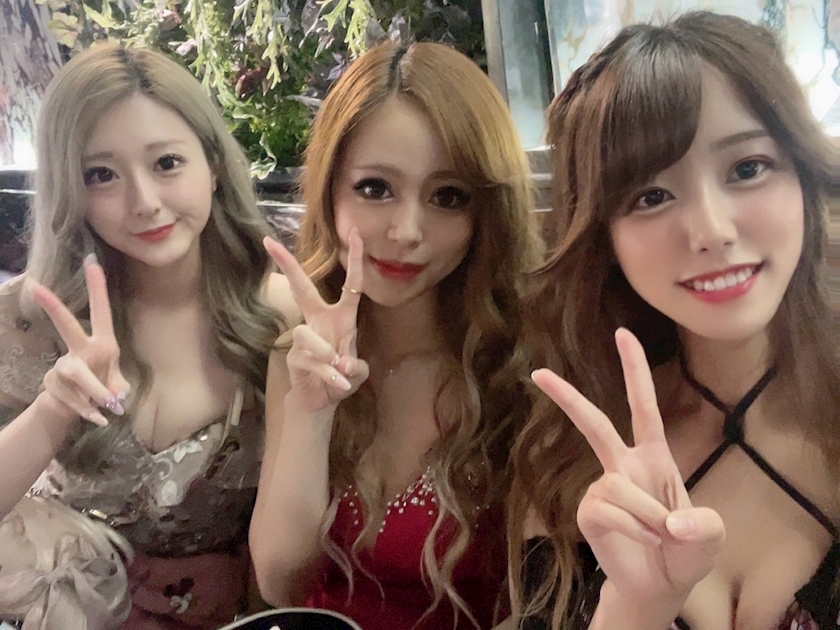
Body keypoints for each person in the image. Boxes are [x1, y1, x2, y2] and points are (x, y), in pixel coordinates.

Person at [509, 10, 840, 630]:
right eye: (651, 196)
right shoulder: (573, 457)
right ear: (604, 237)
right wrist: (634, 610)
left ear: (801, 173)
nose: (711, 231)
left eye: (747, 168)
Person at [248, 41, 543, 630]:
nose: (407, 230)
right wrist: (311, 413)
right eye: (375, 188)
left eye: (447, 197)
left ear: (486, 211)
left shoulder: (527, 361)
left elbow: (544, 603)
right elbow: (281, 584)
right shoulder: (304, 351)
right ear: (330, 192)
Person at [0, 43, 289, 629]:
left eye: (167, 163)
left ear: (213, 164)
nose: (144, 203)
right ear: (69, 189)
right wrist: (53, 410)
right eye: (101, 175)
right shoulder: (25, 318)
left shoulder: (279, 314)